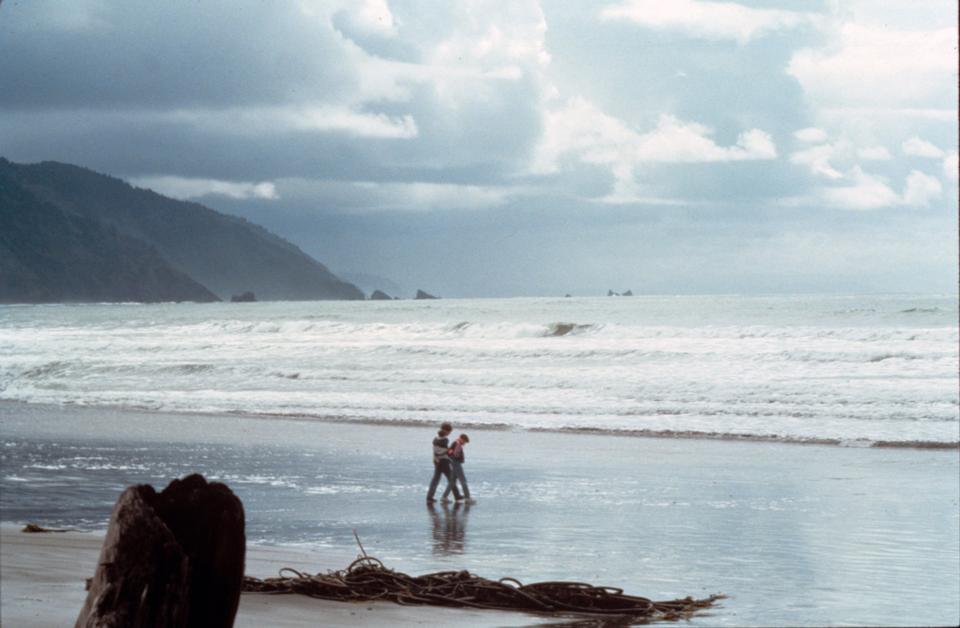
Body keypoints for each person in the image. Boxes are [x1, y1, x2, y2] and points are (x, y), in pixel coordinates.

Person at [427, 422, 460, 502]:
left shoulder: (435, 439)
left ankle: (429, 497)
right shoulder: (445, 440)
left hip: (437, 461)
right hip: (443, 462)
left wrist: (435, 459)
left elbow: (436, 452)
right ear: (446, 431)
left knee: (435, 479)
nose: (449, 433)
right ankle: (457, 496)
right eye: (449, 432)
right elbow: (445, 452)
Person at [442, 433, 471, 502]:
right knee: (463, 481)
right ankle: (467, 498)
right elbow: (456, 455)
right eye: (464, 442)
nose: (464, 444)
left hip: (452, 463)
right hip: (456, 464)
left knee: (452, 482)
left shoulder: (454, 443)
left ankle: (444, 497)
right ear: (461, 439)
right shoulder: (458, 445)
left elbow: (449, 453)